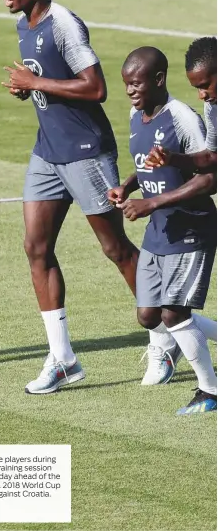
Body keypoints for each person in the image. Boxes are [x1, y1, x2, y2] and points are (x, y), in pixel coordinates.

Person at [1, 0, 147, 394]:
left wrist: (35, 83)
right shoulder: (23, 25)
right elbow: (50, 82)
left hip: (85, 152)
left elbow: (97, 88)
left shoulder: (62, 22)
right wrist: (31, 91)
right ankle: (63, 358)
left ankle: (166, 331)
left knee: (115, 248)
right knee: (35, 247)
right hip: (48, 153)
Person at [108, 46, 217, 414]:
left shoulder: (183, 119)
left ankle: (210, 391)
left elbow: (209, 178)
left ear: (158, 80)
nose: (130, 91)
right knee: (149, 315)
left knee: (174, 313)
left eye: (136, 83)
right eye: (126, 85)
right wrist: (127, 187)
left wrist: (151, 203)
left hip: (191, 227)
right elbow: (147, 166)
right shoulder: (136, 117)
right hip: (159, 229)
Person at [145, 37, 217, 172]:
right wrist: (171, 158)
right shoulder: (213, 107)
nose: (202, 95)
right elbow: (211, 157)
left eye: (205, 85)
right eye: (198, 88)